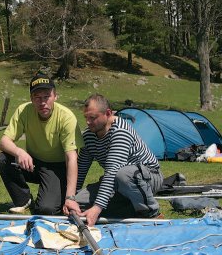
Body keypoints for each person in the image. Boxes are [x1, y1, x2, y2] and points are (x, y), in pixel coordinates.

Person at [64, 94, 164, 226]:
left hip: (148, 177)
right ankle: (130, 208)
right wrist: (71, 199)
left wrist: (97, 207)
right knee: (79, 203)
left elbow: (112, 171)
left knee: (123, 174)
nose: (88, 122)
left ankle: (151, 213)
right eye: (86, 117)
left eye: (92, 118)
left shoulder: (120, 131)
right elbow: (81, 168)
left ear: (108, 113)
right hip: (117, 182)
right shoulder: (88, 135)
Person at [0, 72, 84, 215]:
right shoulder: (24, 110)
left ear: (55, 96)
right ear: (31, 99)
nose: (42, 102)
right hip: (33, 163)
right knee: (2, 159)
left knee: (46, 209)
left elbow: (72, 157)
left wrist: (70, 197)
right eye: (37, 97)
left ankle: (54, 191)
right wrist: (19, 152)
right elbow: (4, 141)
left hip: (56, 168)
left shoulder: (66, 117)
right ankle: (24, 200)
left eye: (46, 96)